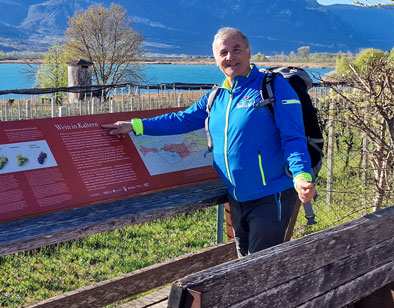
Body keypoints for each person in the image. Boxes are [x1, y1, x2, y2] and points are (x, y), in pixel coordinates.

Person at [105, 27, 315, 257]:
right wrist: (136, 126)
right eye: (223, 52)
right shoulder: (217, 95)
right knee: (243, 260)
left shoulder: (272, 87)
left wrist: (301, 176)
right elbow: (182, 120)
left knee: (259, 269)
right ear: (215, 59)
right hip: (236, 197)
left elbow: (293, 137)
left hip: (270, 196)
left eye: (236, 50)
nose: (229, 57)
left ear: (248, 51)